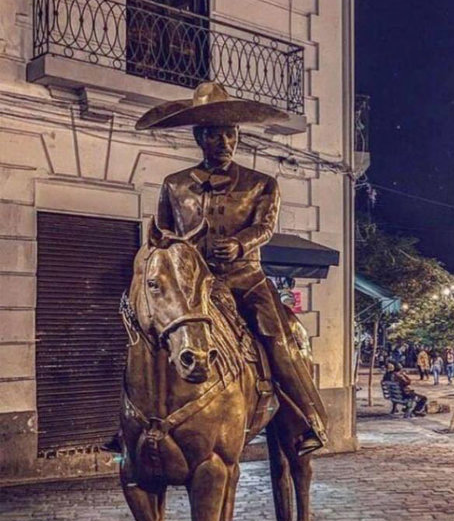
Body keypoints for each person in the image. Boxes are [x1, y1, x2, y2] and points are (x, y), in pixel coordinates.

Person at [108, 82, 327, 459]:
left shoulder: (262, 184)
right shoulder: (174, 186)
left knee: (278, 337)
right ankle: (130, 425)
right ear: (200, 138)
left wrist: (242, 243)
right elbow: (162, 237)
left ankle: (310, 418)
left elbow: (265, 227)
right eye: (215, 134)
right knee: (144, 334)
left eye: (231, 133)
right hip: (193, 286)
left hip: (245, 280)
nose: (225, 141)